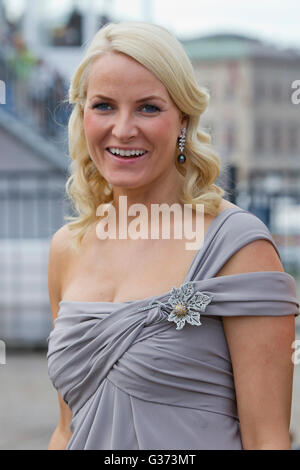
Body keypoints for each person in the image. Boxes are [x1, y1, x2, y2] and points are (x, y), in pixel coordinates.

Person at [46, 22, 299, 450]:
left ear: (183, 118)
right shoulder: (67, 249)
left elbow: (267, 439)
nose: (123, 129)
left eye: (148, 108)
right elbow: (66, 429)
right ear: (82, 114)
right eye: (104, 105)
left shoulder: (238, 247)